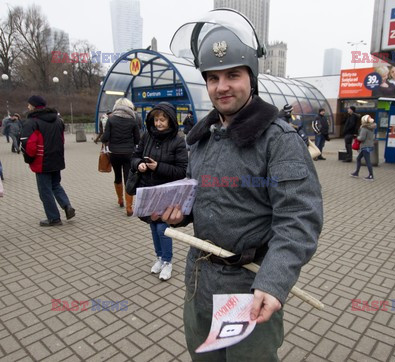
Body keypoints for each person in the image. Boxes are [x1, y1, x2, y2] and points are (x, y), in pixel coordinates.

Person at [167, 9, 323, 361]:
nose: (222, 86)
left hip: (250, 289)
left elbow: (299, 220)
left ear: (251, 78)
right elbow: (203, 198)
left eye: (233, 75)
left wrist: (274, 281)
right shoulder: (201, 138)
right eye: (213, 77)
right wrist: (182, 214)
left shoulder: (278, 140)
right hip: (199, 283)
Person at [131, 102, 188, 280]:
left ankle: (168, 262)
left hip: (167, 192)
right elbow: (134, 157)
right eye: (156, 119)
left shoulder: (178, 141)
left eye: (162, 120)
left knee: (163, 227)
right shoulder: (146, 136)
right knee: (153, 225)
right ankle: (159, 258)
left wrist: (158, 167)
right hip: (149, 190)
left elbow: (182, 170)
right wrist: (138, 164)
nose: (158, 123)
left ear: (170, 121)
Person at [20, 95, 76, 226]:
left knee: (45, 190)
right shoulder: (58, 120)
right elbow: (62, 140)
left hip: (41, 162)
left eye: (29, 104)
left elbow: (29, 145)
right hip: (57, 159)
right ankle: (67, 206)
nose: (28, 107)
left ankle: (54, 218)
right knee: (56, 185)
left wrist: (28, 159)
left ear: (33, 106)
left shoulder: (32, 122)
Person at [101, 98, 140, 216]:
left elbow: (105, 137)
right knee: (128, 178)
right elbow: (137, 139)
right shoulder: (133, 120)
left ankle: (120, 199)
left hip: (114, 153)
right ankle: (129, 208)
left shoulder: (111, 119)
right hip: (128, 153)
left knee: (117, 176)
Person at [350, 115, 376, 181]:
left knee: (368, 161)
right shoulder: (371, 127)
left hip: (365, 146)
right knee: (358, 158)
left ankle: (371, 176)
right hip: (369, 145)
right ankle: (356, 172)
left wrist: (357, 137)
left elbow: (362, 138)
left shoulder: (364, 128)